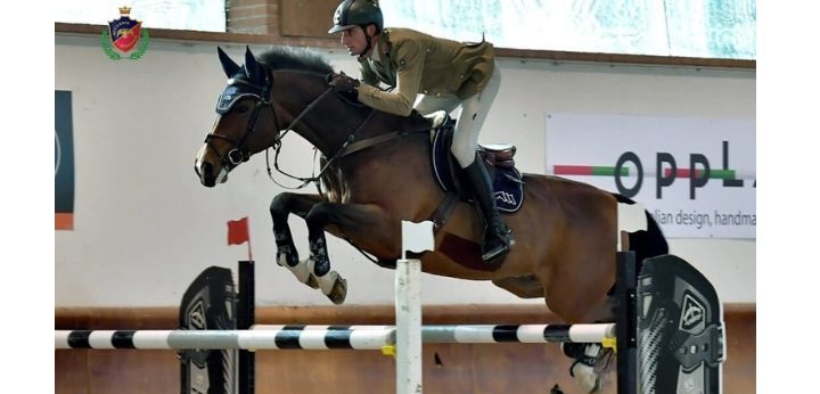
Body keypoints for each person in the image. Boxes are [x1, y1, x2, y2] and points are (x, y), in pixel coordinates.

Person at [326, 0, 512, 264]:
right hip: (446, 87)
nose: (343, 40)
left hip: (477, 77)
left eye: (349, 32)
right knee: (411, 130)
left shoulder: (404, 45)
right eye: (342, 33)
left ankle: (496, 229)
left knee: (461, 148)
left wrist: (355, 88)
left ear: (370, 30)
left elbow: (401, 104)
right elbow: (367, 101)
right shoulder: (368, 58)